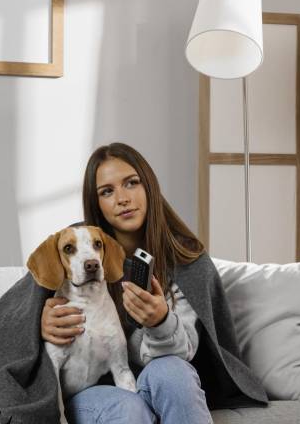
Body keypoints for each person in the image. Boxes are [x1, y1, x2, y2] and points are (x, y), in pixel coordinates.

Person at [40, 142, 267, 424]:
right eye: (107, 191)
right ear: (96, 202)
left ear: (149, 186)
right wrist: (43, 321)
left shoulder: (186, 261)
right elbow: (18, 313)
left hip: (159, 377)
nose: (122, 198)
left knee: (173, 372)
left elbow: (188, 351)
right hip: (96, 390)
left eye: (131, 183)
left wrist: (161, 322)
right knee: (128, 409)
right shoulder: (76, 245)